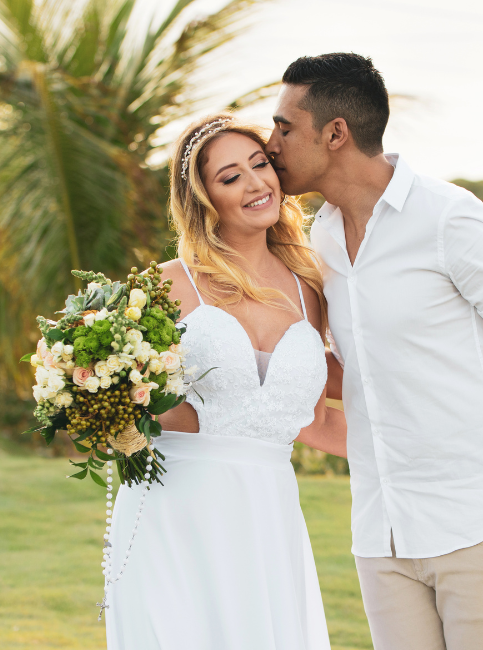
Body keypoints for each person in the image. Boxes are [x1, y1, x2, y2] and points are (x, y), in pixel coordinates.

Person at [266, 52, 483, 650]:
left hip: (479, 523)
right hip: (381, 533)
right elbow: (361, 372)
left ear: (335, 133)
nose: (271, 143)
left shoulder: (450, 218)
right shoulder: (326, 235)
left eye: (284, 127)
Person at [104, 114, 346, 650]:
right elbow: (122, 405)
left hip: (267, 508)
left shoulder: (311, 289)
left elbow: (313, 421)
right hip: (177, 504)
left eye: (260, 165)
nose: (256, 184)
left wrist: (424, 449)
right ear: (203, 197)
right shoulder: (168, 285)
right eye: (230, 177)